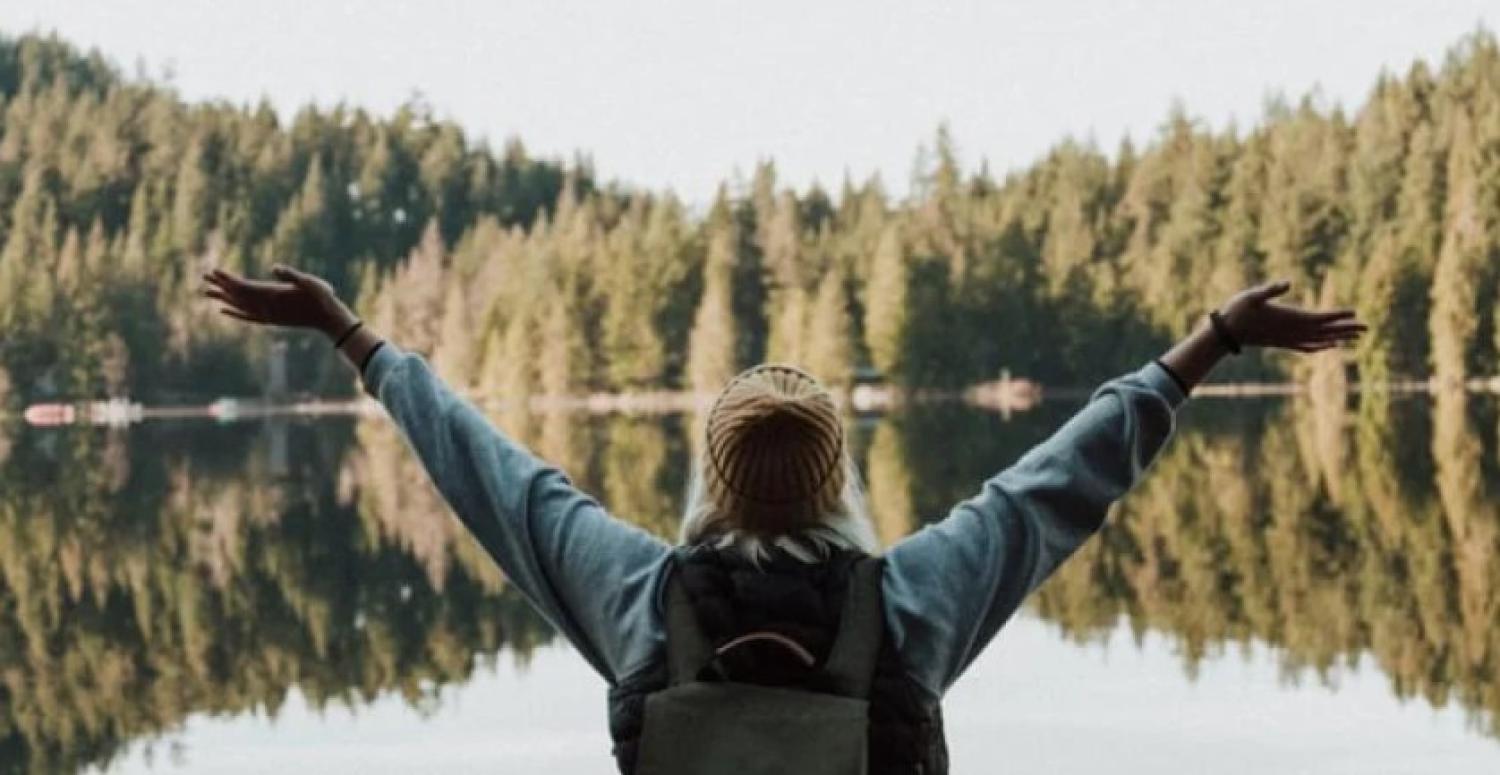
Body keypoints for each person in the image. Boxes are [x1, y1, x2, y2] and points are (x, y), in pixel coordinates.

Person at [203, 266, 1364, 773]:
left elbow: (487, 472)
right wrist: (1213, 338)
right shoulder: (910, 599)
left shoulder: (641, 602)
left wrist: (352, 335)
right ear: (837, 483)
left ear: (710, 482)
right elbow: (1068, 476)